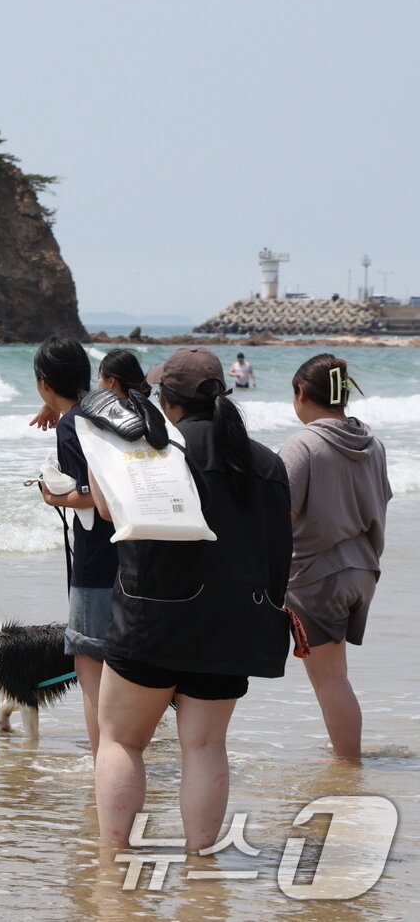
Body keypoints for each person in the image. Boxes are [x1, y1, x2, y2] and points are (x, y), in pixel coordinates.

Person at [91, 347, 292, 851]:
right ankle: (200, 865)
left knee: (121, 741)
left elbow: (108, 512)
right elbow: (277, 555)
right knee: (204, 747)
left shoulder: (156, 451)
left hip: (149, 619)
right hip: (231, 626)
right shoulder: (266, 463)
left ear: (165, 398)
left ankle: (116, 861)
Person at [279, 354, 390, 762]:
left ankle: (348, 764)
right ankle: (343, 749)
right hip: (362, 569)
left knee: (330, 680)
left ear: (302, 393)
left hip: (317, 575)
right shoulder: (371, 442)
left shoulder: (303, 444)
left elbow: (281, 517)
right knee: (336, 675)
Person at [32, 337, 118, 755]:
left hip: (95, 561)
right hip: (129, 554)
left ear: (43, 383)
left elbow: (88, 493)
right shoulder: (105, 409)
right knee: (122, 662)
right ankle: (125, 749)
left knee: (89, 664)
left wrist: (54, 497)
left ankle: (104, 761)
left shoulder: (71, 426)